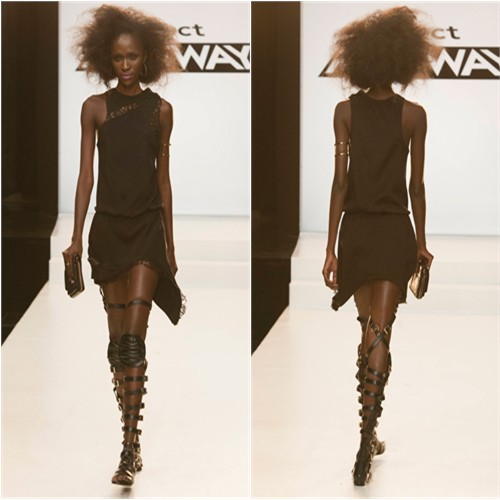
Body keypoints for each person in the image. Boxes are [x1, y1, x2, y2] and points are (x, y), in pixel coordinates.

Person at [63, 4, 185, 487]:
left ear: (147, 57)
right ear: (106, 59)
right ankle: (129, 434)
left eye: (133, 56)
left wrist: (170, 245)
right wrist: (76, 237)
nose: (126, 64)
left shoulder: (161, 111)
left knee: (133, 340)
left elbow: (164, 180)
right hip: (109, 233)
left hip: (147, 231)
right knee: (118, 347)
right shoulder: (94, 108)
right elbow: (86, 177)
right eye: (118, 57)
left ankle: (130, 447)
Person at [321, 6, 439, 486]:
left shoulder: (345, 112)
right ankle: (367, 437)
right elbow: (417, 188)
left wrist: (331, 247)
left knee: (367, 330)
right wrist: (422, 243)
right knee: (379, 332)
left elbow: (340, 183)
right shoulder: (413, 116)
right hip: (393, 232)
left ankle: (366, 437)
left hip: (357, 233)